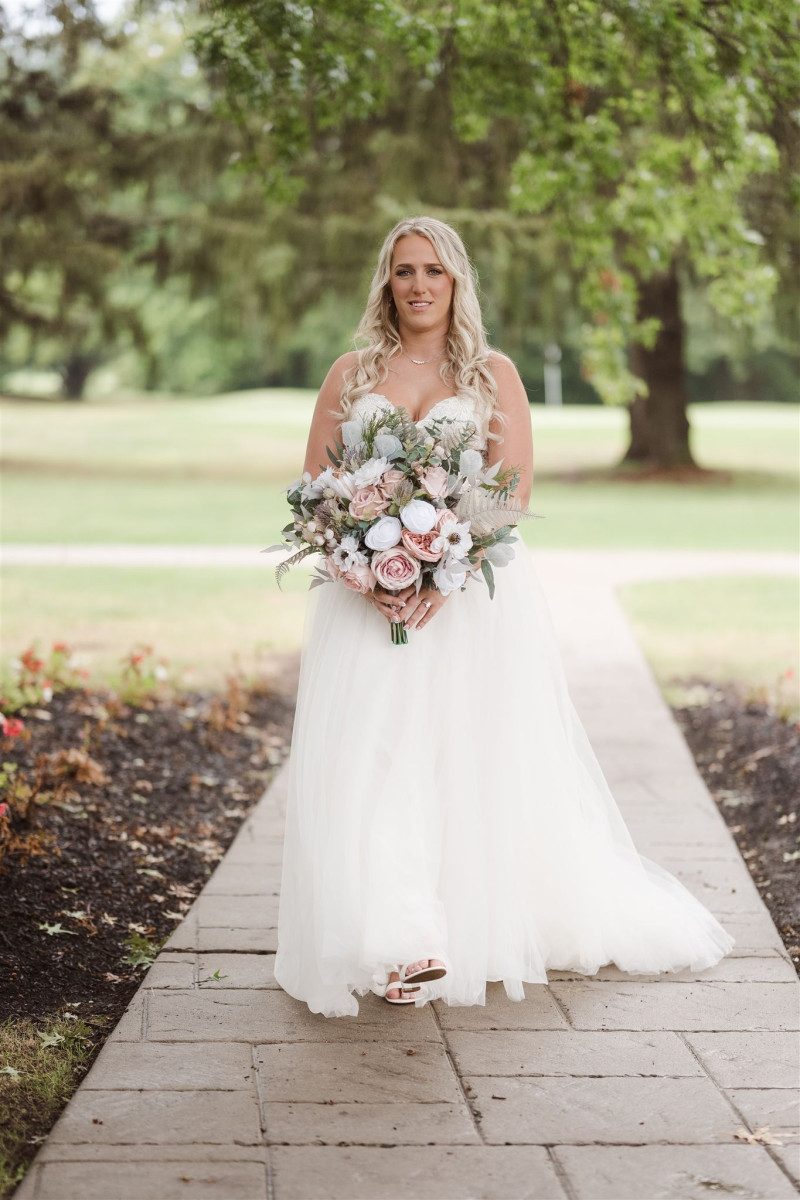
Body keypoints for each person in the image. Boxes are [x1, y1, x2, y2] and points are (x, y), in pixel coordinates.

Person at [273, 215, 734, 1017]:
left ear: (457, 282)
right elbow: (317, 487)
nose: (418, 285)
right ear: (387, 282)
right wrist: (366, 569)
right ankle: (401, 940)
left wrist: (438, 574)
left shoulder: (493, 374)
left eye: (433, 271)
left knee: (456, 755)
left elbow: (512, 491)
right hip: (365, 604)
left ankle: (459, 916)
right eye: (404, 270)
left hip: (465, 601)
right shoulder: (351, 373)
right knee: (374, 758)